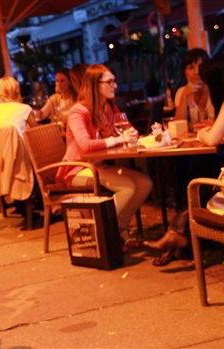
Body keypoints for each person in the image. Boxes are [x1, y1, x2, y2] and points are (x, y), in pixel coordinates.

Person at [144, 52, 224, 265]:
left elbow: (212, 139)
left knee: (198, 170)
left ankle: (180, 234)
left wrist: (202, 133)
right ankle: (182, 234)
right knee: (199, 167)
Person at [56, 64, 152, 245]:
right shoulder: (78, 112)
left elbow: (128, 127)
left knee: (145, 183)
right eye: (110, 82)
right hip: (78, 169)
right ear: (95, 85)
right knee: (128, 187)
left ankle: (116, 228)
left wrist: (130, 133)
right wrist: (118, 140)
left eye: (114, 81)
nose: (115, 86)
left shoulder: (110, 107)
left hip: (99, 166)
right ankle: (103, 231)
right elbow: (85, 145)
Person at [173, 49, 214, 131]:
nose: (197, 72)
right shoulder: (181, 92)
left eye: (201, 66)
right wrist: (184, 97)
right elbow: (178, 127)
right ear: (185, 72)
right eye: (191, 68)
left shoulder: (217, 88)